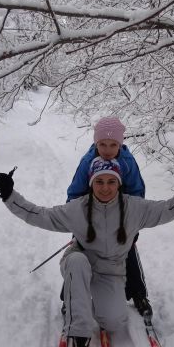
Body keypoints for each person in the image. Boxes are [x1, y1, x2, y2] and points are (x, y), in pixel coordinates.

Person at [0, 146, 174, 347]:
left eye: (111, 182)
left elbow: (171, 208)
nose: (105, 188)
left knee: (114, 322)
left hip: (111, 272)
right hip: (81, 262)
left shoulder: (135, 208)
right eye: (99, 182)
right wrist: (10, 196)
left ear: (119, 183)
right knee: (76, 261)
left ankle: (83, 301)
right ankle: (79, 333)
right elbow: (40, 215)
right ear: (91, 182)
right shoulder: (77, 209)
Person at [65, 117, 152, 317]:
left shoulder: (127, 162)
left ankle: (138, 293)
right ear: (96, 143)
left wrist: (133, 224)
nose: (107, 149)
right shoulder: (88, 162)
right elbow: (74, 193)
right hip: (90, 217)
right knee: (79, 252)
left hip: (120, 216)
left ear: (120, 144)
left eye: (113, 145)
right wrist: (77, 220)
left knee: (127, 249)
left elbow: (138, 191)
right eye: (102, 144)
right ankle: (68, 295)